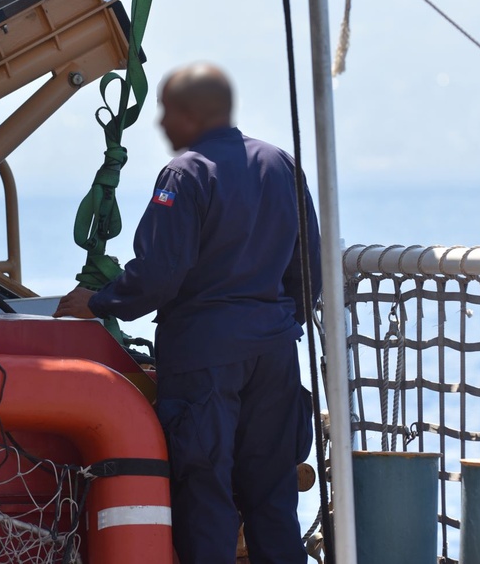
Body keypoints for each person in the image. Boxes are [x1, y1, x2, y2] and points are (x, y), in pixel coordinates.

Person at [53, 63, 321, 563]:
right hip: (275, 354)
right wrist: (276, 323)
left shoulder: (186, 173)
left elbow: (161, 273)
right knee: (273, 497)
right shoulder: (282, 164)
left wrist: (99, 301)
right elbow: (309, 273)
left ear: (193, 114)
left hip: (204, 359)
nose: (160, 124)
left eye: (167, 112)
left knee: (205, 493)